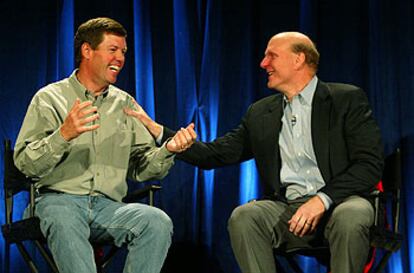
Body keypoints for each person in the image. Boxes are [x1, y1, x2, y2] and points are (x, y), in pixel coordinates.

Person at [128, 32, 384, 273]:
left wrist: (322, 199)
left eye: (272, 55)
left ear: (299, 59)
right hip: (289, 210)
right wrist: (161, 133)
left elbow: (369, 164)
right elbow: (215, 154)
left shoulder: (346, 99)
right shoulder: (261, 113)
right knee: (246, 217)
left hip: (341, 202)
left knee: (351, 216)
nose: (263, 63)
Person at [14, 17, 196, 273]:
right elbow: (25, 164)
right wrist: (63, 134)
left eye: (123, 52)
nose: (120, 58)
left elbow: (142, 169)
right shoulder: (49, 98)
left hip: (109, 207)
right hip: (57, 202)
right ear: (87, 51)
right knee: (64, 218)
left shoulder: (126, 104)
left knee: (156, 221)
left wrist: (167, 150)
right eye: (113, 50)